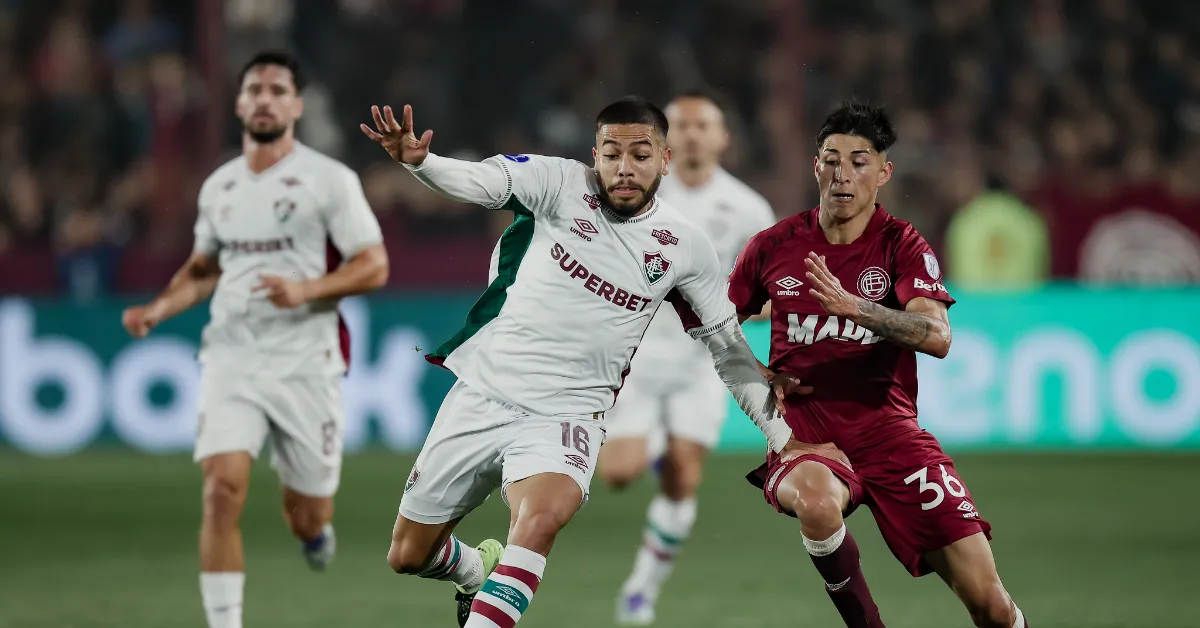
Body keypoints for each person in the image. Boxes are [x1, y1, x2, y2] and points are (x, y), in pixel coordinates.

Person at [360, 96, 820, 628]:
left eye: (641, 155)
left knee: (538, 523)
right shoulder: (558, 183)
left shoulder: (685, 248)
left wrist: (782, 436)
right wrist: (421, 163)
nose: (625, 168)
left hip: (568, 415)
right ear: (595, 154)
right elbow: (482, 182)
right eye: (613, 153)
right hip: (483, 394)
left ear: (663, 161)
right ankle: (474, 572)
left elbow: (729, 349)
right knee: (408, 555)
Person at [729, 102, 1029, 628]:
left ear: (884, 172)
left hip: (891, 437)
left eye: (860, 161)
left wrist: (858, 308)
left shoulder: (902, 245)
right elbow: (715, 327)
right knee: (818, 501)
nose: (843, 173)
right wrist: (759, 373)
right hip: (804, 437)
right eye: (831, 159)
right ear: (814, 166)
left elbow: (937, 336)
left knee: (993, 608)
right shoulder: (772, 247)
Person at [121, 51, 389, 628]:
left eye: (277, 89)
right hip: (231, 355)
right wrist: (158, 309)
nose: (264, 98)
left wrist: (307, 289)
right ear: (239, 103)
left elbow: (374, 266)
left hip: (305, 363)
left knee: (306, 516)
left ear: (295, 105)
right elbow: (203, 268)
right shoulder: (219, 186)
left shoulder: (329, 181)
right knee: (221, 490)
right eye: (255, 89)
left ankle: (315, 533)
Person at [590, 89, 777, 625]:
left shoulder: (747, 209)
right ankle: (647, 451)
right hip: (639, 357)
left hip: (704, 362)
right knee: (620, 473)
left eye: (704, 125)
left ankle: (640, 591)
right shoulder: (637, 192)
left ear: (723, 138)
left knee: (685, 480)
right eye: (683, 126)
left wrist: (729, 312)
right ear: (666, 142)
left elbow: (767, 291)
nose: (693, 134)